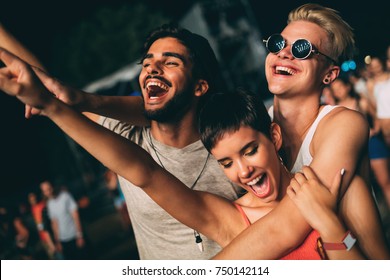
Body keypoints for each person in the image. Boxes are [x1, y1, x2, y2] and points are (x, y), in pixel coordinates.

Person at [0, 57, 365, 259]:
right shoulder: (230, 218)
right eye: (226, 163)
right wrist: (49, 105)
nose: (244, 171)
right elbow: (143, 172)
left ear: (273, 136)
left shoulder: (333, 187)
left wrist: (332, 230)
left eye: (250, 150)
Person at [0, 23, 241, 259]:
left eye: (170, 62)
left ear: (199, 87)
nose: (152, 68)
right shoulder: (126, 136)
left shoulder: (234, 152)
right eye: (146, 63)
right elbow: (48, 89)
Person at [211, 3, 389, 259]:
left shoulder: (342, 124)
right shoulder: (254, 128)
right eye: (277, 44)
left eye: (302, 49)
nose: (284, 53)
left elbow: (283, 227)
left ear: (329, 74)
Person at [331, 75, 390, 210]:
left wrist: (374, 129)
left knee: (385, 182)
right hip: (353, 149)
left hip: (372, 144)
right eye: (335, 89)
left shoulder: (361, 102)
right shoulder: (335, 109)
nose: (338, 91)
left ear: (347, 87)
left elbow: (377, 117)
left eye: (340, 87)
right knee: (364, 188)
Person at [39, 180, 86, 259]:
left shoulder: (65, 196)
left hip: (74, 236)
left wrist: (80, 235)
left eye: (49, 189)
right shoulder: (49, 204)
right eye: (45, 191)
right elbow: (54, 223)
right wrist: (57, 241)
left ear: (52, 187)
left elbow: (75, 216)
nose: (48, 192)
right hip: (63, 241)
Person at [27, 191, 57, 259]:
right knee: (51, 256)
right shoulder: (32, 209)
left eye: (34, 199)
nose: (33, 201)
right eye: (31, 200)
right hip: (42, 238)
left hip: (49, 235)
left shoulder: (42, 205)